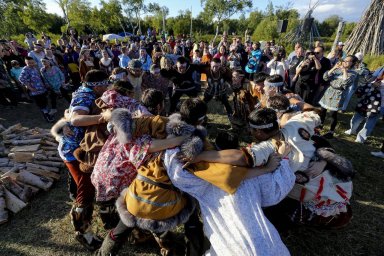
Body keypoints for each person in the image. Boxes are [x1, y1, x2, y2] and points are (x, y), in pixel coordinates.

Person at [166, 108, 294, 255]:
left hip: (228, 244)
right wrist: (279, 162)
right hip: (264, 242)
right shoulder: (255, 176)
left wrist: (180, 145)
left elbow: (175, 169)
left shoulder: (202, 181)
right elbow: (276, 192)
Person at [52, 70, 110, 251]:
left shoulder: (85, 91)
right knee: (85, 194)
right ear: (97, 85)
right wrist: (103, 117)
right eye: (105, 83)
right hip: (76, 152)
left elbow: (71, 113)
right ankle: (83, 233)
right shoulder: (85, 95)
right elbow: (76, 119)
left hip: (79, 149)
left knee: (85, 186)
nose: (107, 86)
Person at [319, 55, 358, 138]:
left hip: (338, 94)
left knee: (333, 114)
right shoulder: (337, 70)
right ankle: (320, 125)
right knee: (322, 110)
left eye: (348, 61)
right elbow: (325, 77)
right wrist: (334, 68)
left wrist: (344, 71)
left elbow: (346, 82)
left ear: (352, 63)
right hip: (329, 91)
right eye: (345, 60)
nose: (345, 62)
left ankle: (331, 132)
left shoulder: (353, 73)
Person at [344, 69, 383, 143]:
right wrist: (372, 84)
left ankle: (361, 138)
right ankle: (352, 130)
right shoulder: (380, 73)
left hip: (381, 104)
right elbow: (370, 80)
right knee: (357, 117)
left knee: (371, 121)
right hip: (367, 101)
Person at [19, 57, 53, 121]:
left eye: (32, 63)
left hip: (42, 89)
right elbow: (21, 79)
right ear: (26, 62)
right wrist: (30, 88)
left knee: (44, 101)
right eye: (29, 63)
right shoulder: (25, 69)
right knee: (41, 104)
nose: (31, 64)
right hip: (35, 91)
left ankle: (47, 112)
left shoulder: (34, 68)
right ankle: (47, 116)